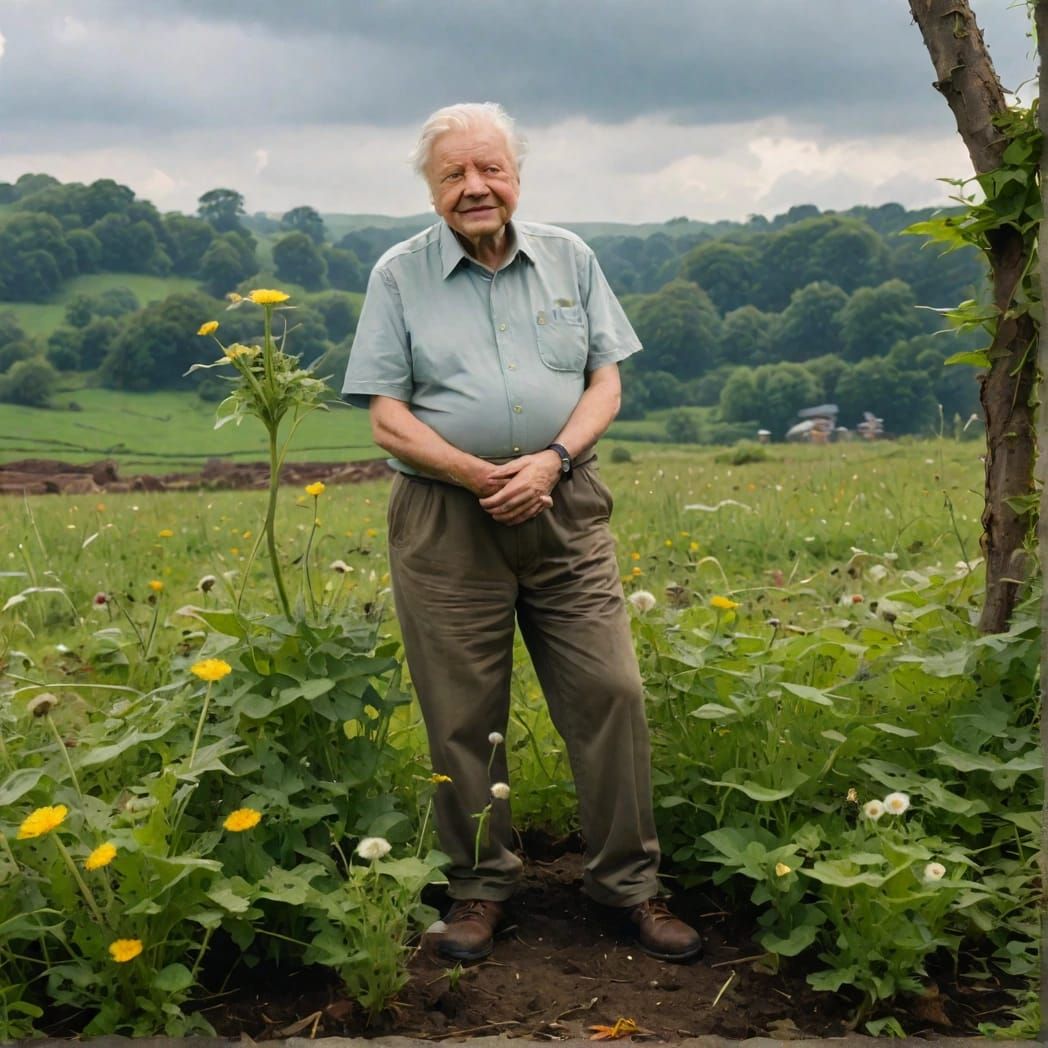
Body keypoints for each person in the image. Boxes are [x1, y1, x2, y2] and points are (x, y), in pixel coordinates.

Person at [342, 102, 701, 965]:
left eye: (490, 169)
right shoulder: (399, 276)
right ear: (432, 189)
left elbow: (605, 384)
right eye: (455, 175)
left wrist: (550, 463)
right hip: (447, 521)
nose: (476, 188)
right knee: (463, 715)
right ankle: (479, 890)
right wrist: (475, 475)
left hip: (565, 506)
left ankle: (629, 886)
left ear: (515, 174)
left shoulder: (571, 259)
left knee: (610, 691)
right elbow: (387, 418)